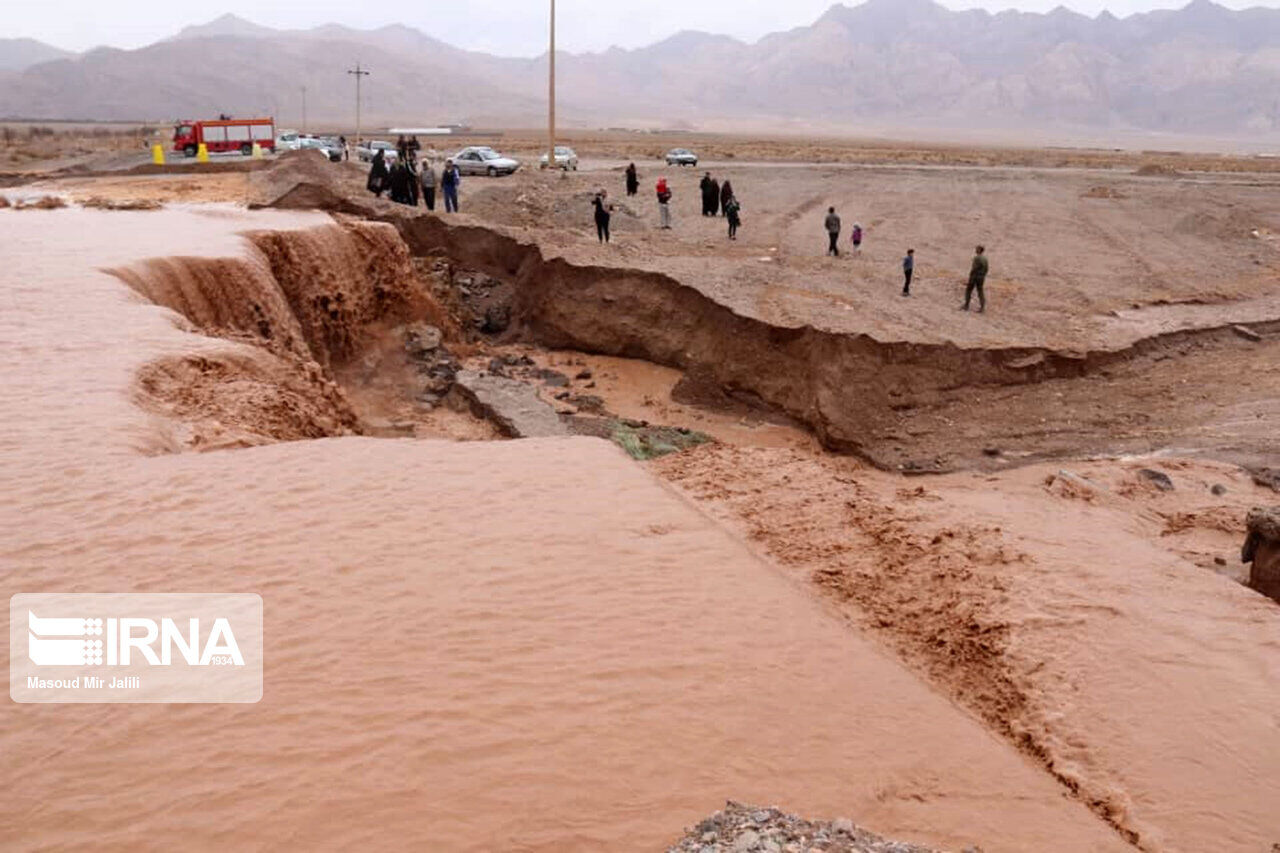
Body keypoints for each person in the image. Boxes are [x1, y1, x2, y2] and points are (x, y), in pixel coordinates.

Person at [962, 245, 989, 312]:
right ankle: (982, 307)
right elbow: (986, 269)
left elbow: (974, 268)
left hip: (975, 277)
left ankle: (966, 305)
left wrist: (971, 276)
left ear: (979, 250)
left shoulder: (977, 258)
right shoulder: (985, 259)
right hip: (981, 277)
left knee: (969, 290)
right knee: (980, 291)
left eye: (977, 249)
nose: (976, 250)